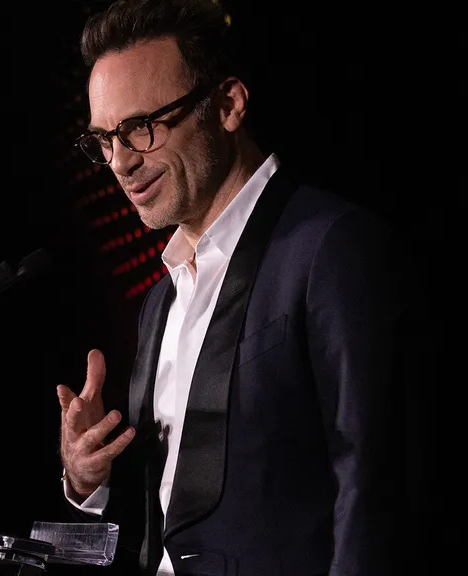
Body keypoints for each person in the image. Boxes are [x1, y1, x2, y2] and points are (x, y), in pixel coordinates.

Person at [55, 0, 407, 574]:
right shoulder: (160, 301)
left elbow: (371, 480)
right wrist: (87, 476)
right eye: (103, 140)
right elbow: (174, 512)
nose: (120, 162)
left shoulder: (329, 248)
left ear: (227, 105)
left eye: (140, 128)